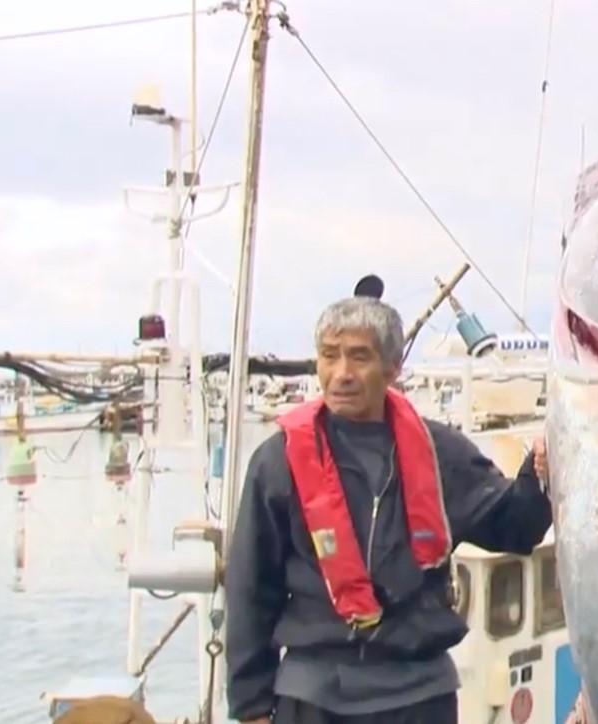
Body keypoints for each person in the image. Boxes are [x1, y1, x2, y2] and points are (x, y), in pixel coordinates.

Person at [225, 281, 553, 724]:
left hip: (420, 693)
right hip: (315, 693)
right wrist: (251, 707)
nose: (341, 372)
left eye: (359, 357)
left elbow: (516, 528)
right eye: (329, 355)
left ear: (393, 367)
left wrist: (540, 472)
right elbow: (251, 588)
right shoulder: (277, 461)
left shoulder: (443, 454)